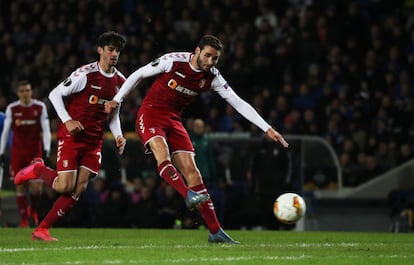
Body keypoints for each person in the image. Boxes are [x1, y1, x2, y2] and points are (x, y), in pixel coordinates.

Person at [104, 35, 289, 244]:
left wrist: (267, 128)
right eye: (208, 55)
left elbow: (238, 102)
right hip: (151, 114)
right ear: (197, 51)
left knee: (194, 173)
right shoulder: (173, 61)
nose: (211, 61)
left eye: (215, 58)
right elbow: (139, 75)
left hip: (174, 120)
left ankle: (215, 231)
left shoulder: (213, 77)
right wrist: (116, 99)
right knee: (162, 153)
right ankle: (187, 194)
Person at [14, 31, 127, 241]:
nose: (115, 54)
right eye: (111, 49)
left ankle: (42, 229)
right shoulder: (84, 74)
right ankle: (38, 169)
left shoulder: (121, 81)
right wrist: (67, 120)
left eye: (118, 51)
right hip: (71, 136)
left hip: (94, 141)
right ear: (100, 50)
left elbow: (114, 115)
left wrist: (119, 135)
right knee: (64, 186)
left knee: (80, 187)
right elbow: (55, 94)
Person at [0, 81, 51, 228]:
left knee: (37, 188)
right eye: (22, 91)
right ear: (18, 93)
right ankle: (24, 221)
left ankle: (33, 211)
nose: (25, 93)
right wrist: (1, 153)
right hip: (18, 154)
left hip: (35, 153)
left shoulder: (39, 107)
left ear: (31, 91)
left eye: (27, 90)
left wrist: (46, 150)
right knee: (20, 187)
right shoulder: (12, 108)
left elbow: (46, 130)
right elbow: (5, 133)